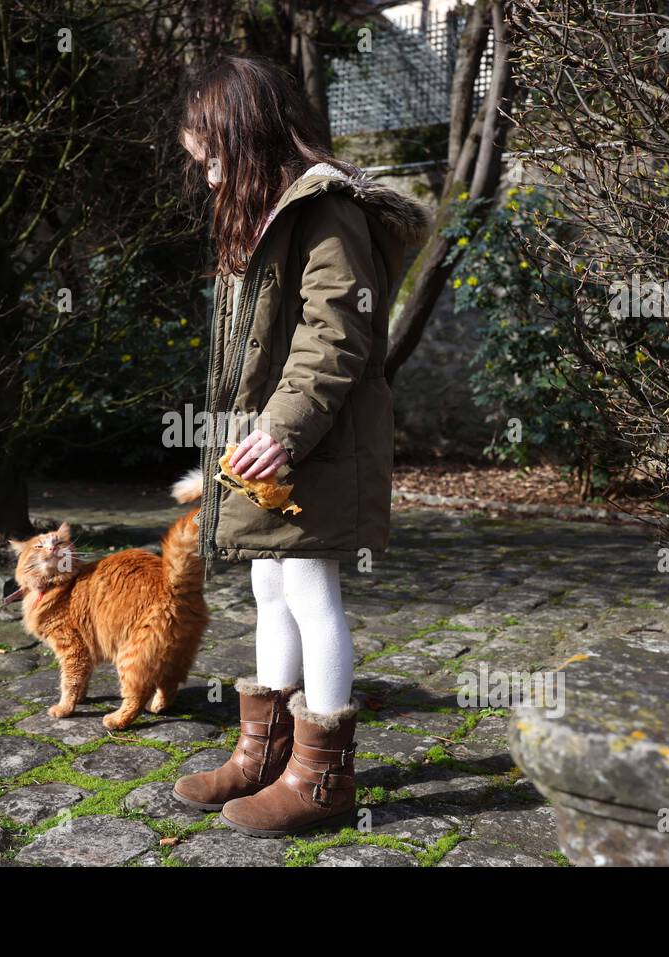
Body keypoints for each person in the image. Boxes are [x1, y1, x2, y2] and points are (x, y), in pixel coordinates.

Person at [171, 56, 432, 837]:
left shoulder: (325, 211)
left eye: (214, 159)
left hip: (312, 447)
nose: (212, 179)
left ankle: (322, 778)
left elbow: (335, 338)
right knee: (270, 590)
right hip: (271, 449)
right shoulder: (265, 213)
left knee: (314, 593)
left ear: (247, 138)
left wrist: (280, 432)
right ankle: (266, 750)